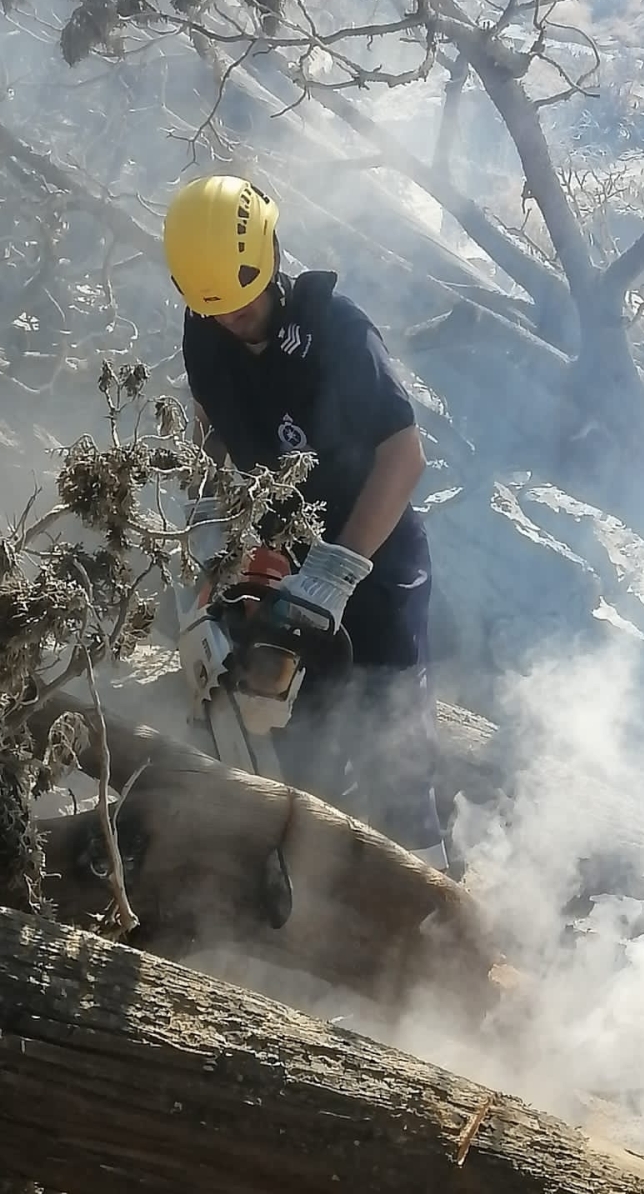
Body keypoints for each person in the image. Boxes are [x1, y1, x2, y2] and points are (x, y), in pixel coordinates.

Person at [163, 172, 450, 871]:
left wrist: (340, 568)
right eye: (216, 310)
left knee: (393, 732)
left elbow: (405, 455)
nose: (232, 320)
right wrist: (204, 533)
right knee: (287, 724)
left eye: (242, 303)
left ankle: (434, 893)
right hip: (281, 547)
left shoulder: (337, 332)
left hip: (375, 556)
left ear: (269, 260)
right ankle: (308, 876)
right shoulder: (204, 334)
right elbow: (211, 430)